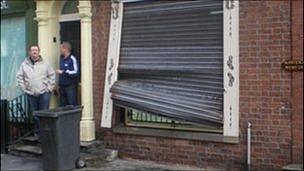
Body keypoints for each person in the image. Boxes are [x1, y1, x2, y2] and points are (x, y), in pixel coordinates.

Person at [16, 45, 55, 137]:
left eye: (36, 50)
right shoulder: (24, 64)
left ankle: (45, 134)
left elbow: (52, 76)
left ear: (39, 52)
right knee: (35, 114)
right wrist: (24, 89)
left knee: (44, 113)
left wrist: (49, 89)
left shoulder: (46, 63)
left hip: (44, 93)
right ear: (29, 52)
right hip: (31, 93)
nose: (34, 52)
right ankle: (37, 133)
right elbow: (19, 77)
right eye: (32, 50)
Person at [56, 41, 80, 106]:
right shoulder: (61, 58)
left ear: (65, 49)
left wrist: (64, 72)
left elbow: (76, 71)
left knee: (72, 103)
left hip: (70, 86)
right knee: (62, 104)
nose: (60, 50)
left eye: (61, 48)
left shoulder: (72, 58)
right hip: (62, 86)